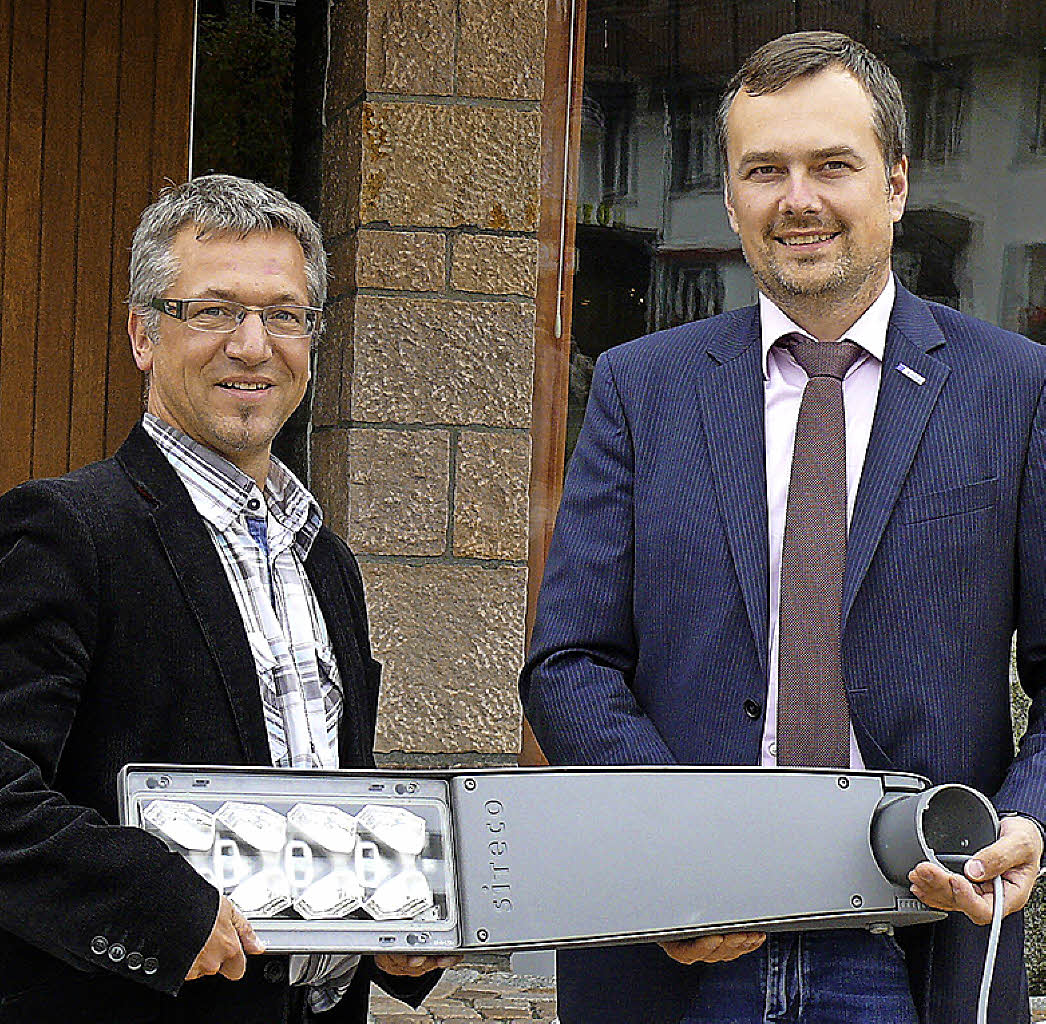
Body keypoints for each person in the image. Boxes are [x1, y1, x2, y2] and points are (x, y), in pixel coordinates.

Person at [521, 31, 1046, 1024]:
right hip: (680, 943)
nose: (796, 199)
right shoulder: (643, 388)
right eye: (763, 170)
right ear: (730, 199)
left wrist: (1026, 815)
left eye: (831, 165)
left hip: (913, 940)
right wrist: (684, 847)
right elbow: (568, 663)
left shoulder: (1013, 390)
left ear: (895, 183)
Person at [0, 174, 454, 1023]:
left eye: (285, 315)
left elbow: (330, 799)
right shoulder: (69, 532)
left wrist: (394, 919)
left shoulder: (327, 562)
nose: (253, 346)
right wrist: (162, 910)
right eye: (213, 311)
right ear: (143, 334)